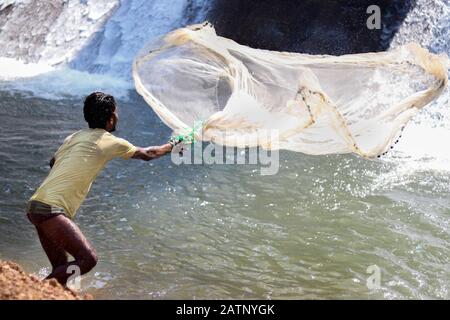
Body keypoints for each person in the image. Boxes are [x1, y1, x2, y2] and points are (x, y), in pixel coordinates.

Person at [26, 92, 181, 286]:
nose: (118, 116)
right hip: (51, 210)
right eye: (116, 112)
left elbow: (53, 162)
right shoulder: (110, 141)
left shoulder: (74, 137)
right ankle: (34, 290)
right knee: (87, 259)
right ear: (110, 119)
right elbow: (148, 154)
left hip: (36, 206)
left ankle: (49, 293)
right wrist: (173, 145)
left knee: (61, 268)